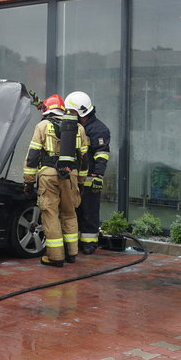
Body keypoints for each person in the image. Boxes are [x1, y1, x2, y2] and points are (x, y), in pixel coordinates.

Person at [23, 94, 89, 267]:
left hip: (49, 175)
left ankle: (55, 257)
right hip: (71, 175)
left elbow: (32, 157)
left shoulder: (42, 126)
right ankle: (72, 254)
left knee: (50, 214)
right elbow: (84, 159)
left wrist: (29, 182)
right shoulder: (79, 128)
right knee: (69, 213)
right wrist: (80, 182)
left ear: (48, 110)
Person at [65, 91, 111, 254]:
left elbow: (102, 153)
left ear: (80, 111)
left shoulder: (99, 129)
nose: (68, 115)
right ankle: (74, 241)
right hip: (74, 177)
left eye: (71, 111)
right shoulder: (75, 126)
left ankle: (89, 243)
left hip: (90, 177)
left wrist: (98, 174)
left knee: (89, 211)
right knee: (74, 210)